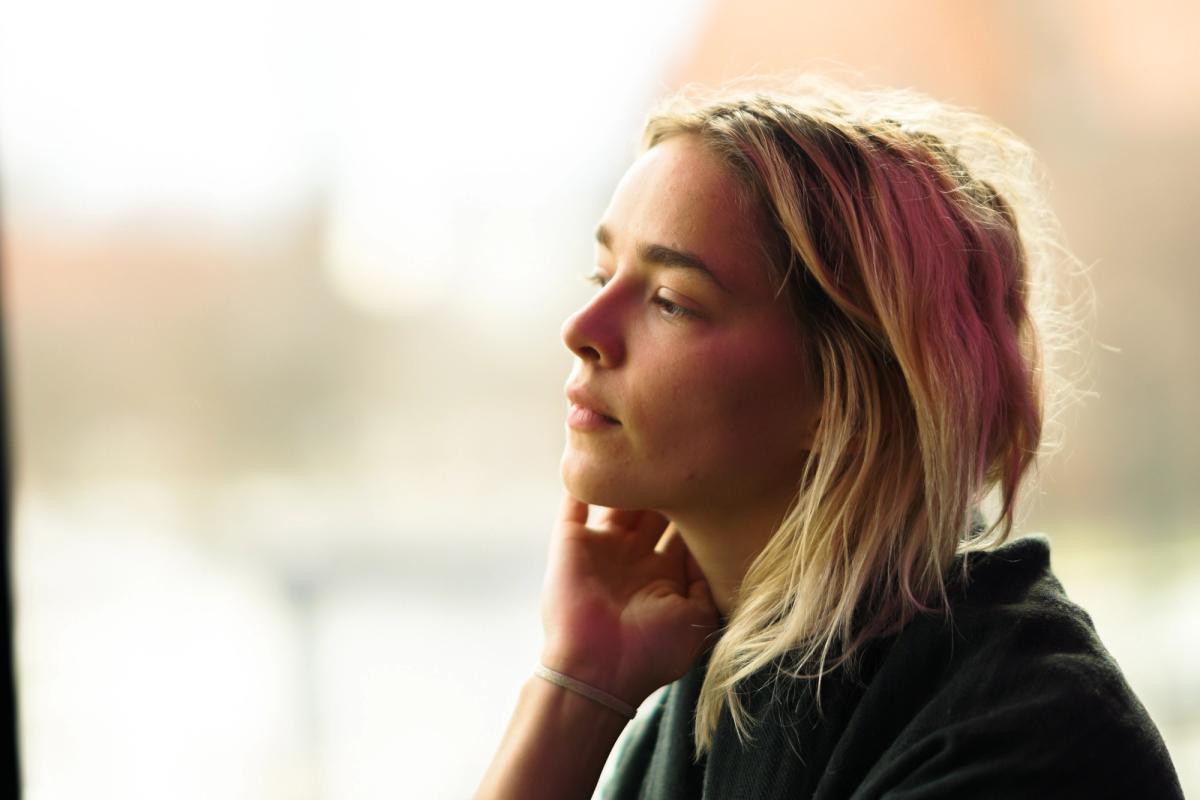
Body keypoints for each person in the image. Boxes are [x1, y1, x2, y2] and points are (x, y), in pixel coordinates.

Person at [475, 77, 1183, 799]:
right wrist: (578, 685)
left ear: (847, 389)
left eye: (671, 301)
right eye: (600, 274)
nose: (582, 328)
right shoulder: (693, 702)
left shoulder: (1020, 738)